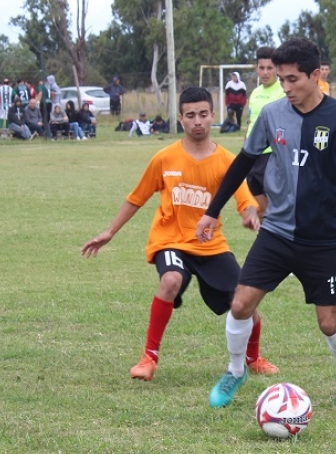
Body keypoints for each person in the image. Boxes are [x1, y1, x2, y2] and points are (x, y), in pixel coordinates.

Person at [195, 37, 336, 407]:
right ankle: (235, 371)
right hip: (276, 233)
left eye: (293, 79)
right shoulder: (271, 114)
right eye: (281, 79)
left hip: (324, 240)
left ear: (315, 75)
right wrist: (212, 211)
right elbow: (243, 163)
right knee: (240, 304)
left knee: (328, 323)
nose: (286, 87)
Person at [81, 86, 278, 382]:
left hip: (210, 245)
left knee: (245, 302)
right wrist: (110, 232)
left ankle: (253, 358)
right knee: (171, 280)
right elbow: (137, 197)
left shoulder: (226, 161)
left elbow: (244, 198)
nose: (197, 121)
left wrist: (250, 214)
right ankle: (149, 358)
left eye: (203, 114)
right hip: (170, 240)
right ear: (181, 119)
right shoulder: (165, 158)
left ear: (212, 115)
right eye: (190, 115)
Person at [244, 46, 286, 217]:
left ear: (277, 69)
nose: (265, 72)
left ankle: (277, 228)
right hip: (252, 155)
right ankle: (269, 229)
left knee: (274, 205)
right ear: (257, 68)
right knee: (259, 206)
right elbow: (250, 122)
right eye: (262, 68)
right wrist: (245, 148)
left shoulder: (283, 92)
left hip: (271, 155)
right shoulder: (255, 93)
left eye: (270, 68)